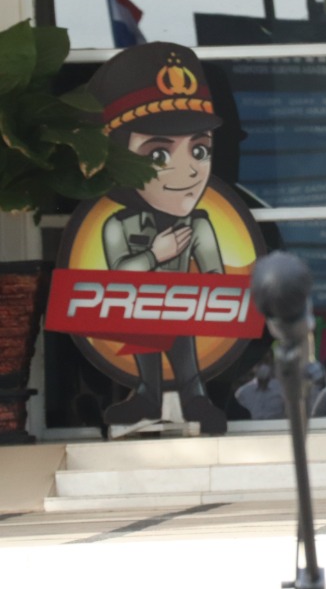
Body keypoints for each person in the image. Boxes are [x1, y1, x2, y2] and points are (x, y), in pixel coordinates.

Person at [88, 42, 229, 435]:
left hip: (182, 311)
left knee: (172, 306)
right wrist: (154, 255)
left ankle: (193, 394)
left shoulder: (198, 225)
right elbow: (118, 278)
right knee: (147, 308)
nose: (187, 172)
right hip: (140, 311)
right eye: (158, 155)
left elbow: (219, 283)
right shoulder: (116, 226)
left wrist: (197, 289)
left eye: (199, 149)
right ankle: (149, 394)